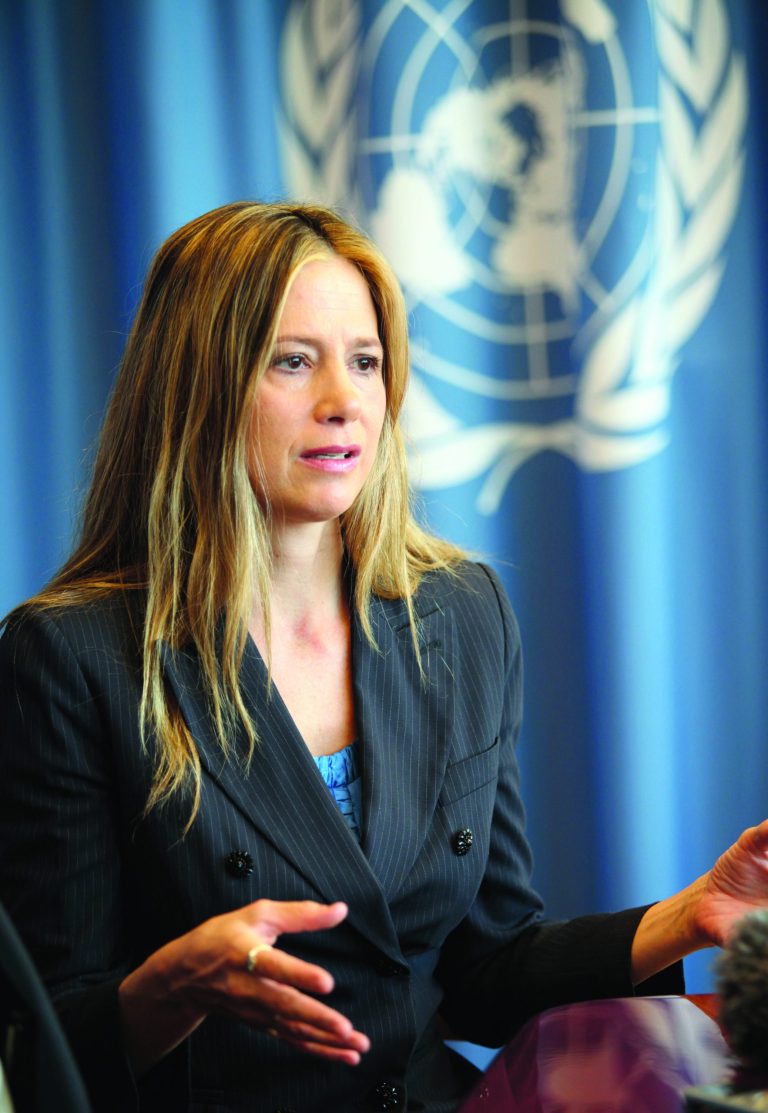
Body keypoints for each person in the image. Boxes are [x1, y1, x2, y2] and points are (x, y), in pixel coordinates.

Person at [0, 201, 766, 1113]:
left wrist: (690, 914)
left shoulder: (459, 612)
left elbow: (486, 966)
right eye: (293, 360)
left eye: (365, 361)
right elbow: (45, 1052)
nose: (345, 399)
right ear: (197, 384)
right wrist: (173, 985)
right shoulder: (70, 655)